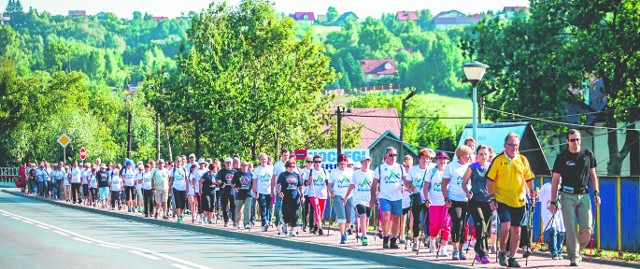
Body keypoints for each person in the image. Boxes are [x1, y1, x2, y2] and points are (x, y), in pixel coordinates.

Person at [550, 129, 600, 266]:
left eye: (578, 139)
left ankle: (575, 248)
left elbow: (593, 174)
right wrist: (553, 201)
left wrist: (596, 193)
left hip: (584, 195)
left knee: (587, 229)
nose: (576, 142)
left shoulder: (588, 154)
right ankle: (574, 256)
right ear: (567, 141)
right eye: (572, 140)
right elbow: (555, 180)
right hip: (567, 196)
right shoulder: (562, 157)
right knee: (570, 228)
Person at [487, 132, 535, 268]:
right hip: (501, 199)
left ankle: (512, 257)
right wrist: (491, 198)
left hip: (519, 200)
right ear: (505, 145)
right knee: (506, 225)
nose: (514, 147)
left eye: (516, 145)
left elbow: (529, 179)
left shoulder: (523, 160)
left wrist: (532, 192)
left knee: (516, 230)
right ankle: (502, 251)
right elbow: (489, 180)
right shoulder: (498, 160)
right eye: (511, 145)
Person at [370, 147, 413, 249]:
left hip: (397, 197)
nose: (393, 157)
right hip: (384, 196)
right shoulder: (380, 168)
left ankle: (393, 240)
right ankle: (385, 238)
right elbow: (374, 185)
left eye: (395, 155)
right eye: (391, 155)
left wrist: (410, 185)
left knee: (396, 219)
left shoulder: (400, 167)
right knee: (386, 216)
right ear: (385, 156)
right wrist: (372, 199)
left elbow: (405, 181)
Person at [462, 145, 493, 264]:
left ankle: (478, 250)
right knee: (480, 223)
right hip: (475, 200)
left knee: (485, 228)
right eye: (481, 154)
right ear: (477, 155)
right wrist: (467, 192)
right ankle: (483, 253)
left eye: (485, 154)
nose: (483, 156)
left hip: (487, 201)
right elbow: (464, 183)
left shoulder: (491, 167)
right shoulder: (472, 167)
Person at [442, 145, 473, 260]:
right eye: (467, 154)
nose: (469, 156)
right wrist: (446, 198)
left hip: (467, 200)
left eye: (470, 154)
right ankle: (454, 249)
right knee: (458, 222)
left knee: (464, 225)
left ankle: (460, 250)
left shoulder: (471, 166)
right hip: (454, 200)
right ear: (460, 155)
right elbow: (444, 184)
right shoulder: (451, 167)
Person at [424, 151, 451, 255]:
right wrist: (427, 199)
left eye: (444, 159)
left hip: (446, 203)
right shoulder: (431, 172)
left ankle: (443, 248)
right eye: (440, 159)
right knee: (434, 225)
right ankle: (432, 240)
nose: (442, 161)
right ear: (436, 160)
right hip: (434, 202)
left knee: (445, 225)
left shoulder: (449, 172)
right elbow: (426, 187)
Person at [408, 149, 435, 251]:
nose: (425, 160)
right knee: (417, 220)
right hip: (417, 197)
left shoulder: (432, 169)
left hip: (429, 198)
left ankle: (428, 238)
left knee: (429, 220)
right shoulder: (413, 169)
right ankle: (415, 240)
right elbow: (408, 182)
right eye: (423, 158)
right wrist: (410, 186)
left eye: (427, 158)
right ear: (418, 159)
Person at [329, 154, 355, 244]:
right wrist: (331, 191)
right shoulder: (334, 172)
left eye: (344, 164)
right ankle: (342, 236)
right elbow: (329, 185)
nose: (343, 166)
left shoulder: (351, 172)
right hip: (338, 195)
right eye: (341, 164)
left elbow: (354, 184)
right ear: (338, 163)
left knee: (348, 219)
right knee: (342, 217)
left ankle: (345, 230)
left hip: (349, 196)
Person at [348, 155, 373, 246]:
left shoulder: (372, 173)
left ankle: (363, 232)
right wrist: (346, 197)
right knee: (362, 214)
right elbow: (351, 186)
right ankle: (364, 236)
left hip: (369, 199)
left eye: (368, 162)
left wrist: (377, 196)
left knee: (367, 218)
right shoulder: (356, 174)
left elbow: (375, 187)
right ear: (361, 163)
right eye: (365, 162)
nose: (367, 164)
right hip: (358, 199)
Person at [276, 160, 304, 237]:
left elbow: (301, 187)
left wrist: (302, 195)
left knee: (295, 214)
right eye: (290, 167)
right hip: (286, 197)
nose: (291, 168)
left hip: (295, 197)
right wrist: (279, 192)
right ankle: (284, 224)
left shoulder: (296, 175)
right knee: (286, 214)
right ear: (286, 167)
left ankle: (292, 230)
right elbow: (277, 186)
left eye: (293, 167)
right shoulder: (283, 175)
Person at [538, 181, 565, 260]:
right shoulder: (546, 186)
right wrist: (535, 195)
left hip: (560, 214)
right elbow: (538, 197)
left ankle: (559, 252)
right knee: (553, 230)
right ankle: (554, 252)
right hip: (548, 212)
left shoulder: (564, 188)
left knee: (561, 232)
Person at [307, 155, 328, 235]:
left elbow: (327, 183)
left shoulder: (325, 171)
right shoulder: (311, 171)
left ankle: (316, 225)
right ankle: (320, 228)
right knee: (317, 210)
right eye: (316, 162)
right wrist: (310, 180)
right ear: (313, 163)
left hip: (322, 194)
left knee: (321, 212)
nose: (317, 163)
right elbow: (306, 183)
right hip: (313, 194)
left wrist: (330, 191)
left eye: (319, 162)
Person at [253, 153, 274, 231]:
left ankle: (268, 222)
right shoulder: (257, 169)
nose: (263, 161)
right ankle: (264, 224)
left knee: (269, 208)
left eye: (265, 159)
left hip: (269, 192)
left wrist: (273, 191)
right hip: (261, 192)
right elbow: (254, 181)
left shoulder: (271, 168)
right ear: (259, 160)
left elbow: (273, 180)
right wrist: (255, 192)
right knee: (263, 207)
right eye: (262, 159)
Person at [271, 149, 290, 230]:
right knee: (280, 208)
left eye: (287, 155)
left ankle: (285, 223)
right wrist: (272, 190)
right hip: (280, 190)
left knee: (288, 208)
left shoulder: (291, 164)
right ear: (281, 155)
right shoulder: (277, 165)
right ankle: (279, 223)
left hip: (289, 190)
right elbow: (273, 178)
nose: (286, 157)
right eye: (285, 155)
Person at [216, 157, 237, 227]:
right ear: (224, 163)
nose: (228, 164)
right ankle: (226, 221)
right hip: (224, 191)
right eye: (227, 163)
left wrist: (236, 185)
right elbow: (217, 180)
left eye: (230, 162)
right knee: (224, 206)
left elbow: (239, 180)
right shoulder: (222, 171)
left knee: (233, 206)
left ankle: (234, 220)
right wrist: (220, 183)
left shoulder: (235, 171)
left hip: (232, 191)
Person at [232, 161, 254, 229]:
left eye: (246, 165)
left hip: (248, 194)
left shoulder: (250, 174)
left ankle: (246, 223)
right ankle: (238, 222)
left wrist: (255, 191)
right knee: (238, 210)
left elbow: (253, 184)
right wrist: (235, 188)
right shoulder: (237, 174)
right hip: (239, 194)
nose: (245, 167)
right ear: (241, 166)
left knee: (247, 209)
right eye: (243, 165)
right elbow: (232, 183)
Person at [169, 157, 188, 223]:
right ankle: (179, 216)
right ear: (175, 162)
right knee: (177, 202)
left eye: (180, 161)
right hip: (175, 187)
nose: (179, 162)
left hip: (183, 188)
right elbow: (171, 180)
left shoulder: (184, 169)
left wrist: (187, 189)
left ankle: (181, 213)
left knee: (182, 204)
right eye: (177, 161)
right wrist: (169, 188)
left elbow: (186, 180)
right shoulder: (173, 170)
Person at [399, 155, 413, 245]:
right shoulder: (401, 174)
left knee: (412, 217)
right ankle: (401, 235)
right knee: (402, 218)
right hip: (402, 199)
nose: (406, 168)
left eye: (408, 166)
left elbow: (416, 183)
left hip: (411, 199)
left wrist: (411, 188)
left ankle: (412, 235)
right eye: (404, 166)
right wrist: (402, 187)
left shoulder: (412, 174)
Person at [300, 156, 315, 233]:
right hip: (305, 193)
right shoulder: (303, 171)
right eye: (308, 162)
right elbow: (303, 183)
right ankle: (304, 224)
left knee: (312, 211)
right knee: (305, 210)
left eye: (311, 162)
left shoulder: (314, 170)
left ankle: (312, 226)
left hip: (313, 193)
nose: (310, 163)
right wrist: (306, 180)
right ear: (306, 162)